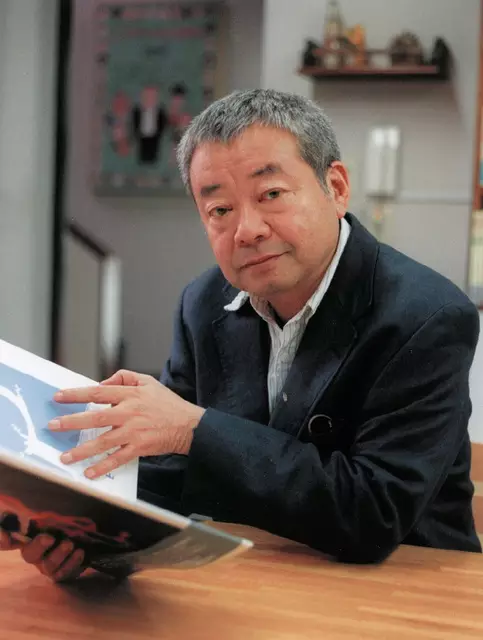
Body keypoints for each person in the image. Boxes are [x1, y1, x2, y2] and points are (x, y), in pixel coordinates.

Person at [2, 89, 480, 582]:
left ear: (336, 188)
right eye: (220, 210)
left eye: (271, 194)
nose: (247, 230)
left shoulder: (428, 316)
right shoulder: (204, 302)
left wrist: (193, 429)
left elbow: (373, 514)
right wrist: (82, 532)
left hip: (408, 587)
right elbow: (174, 473)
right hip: (263, 574)